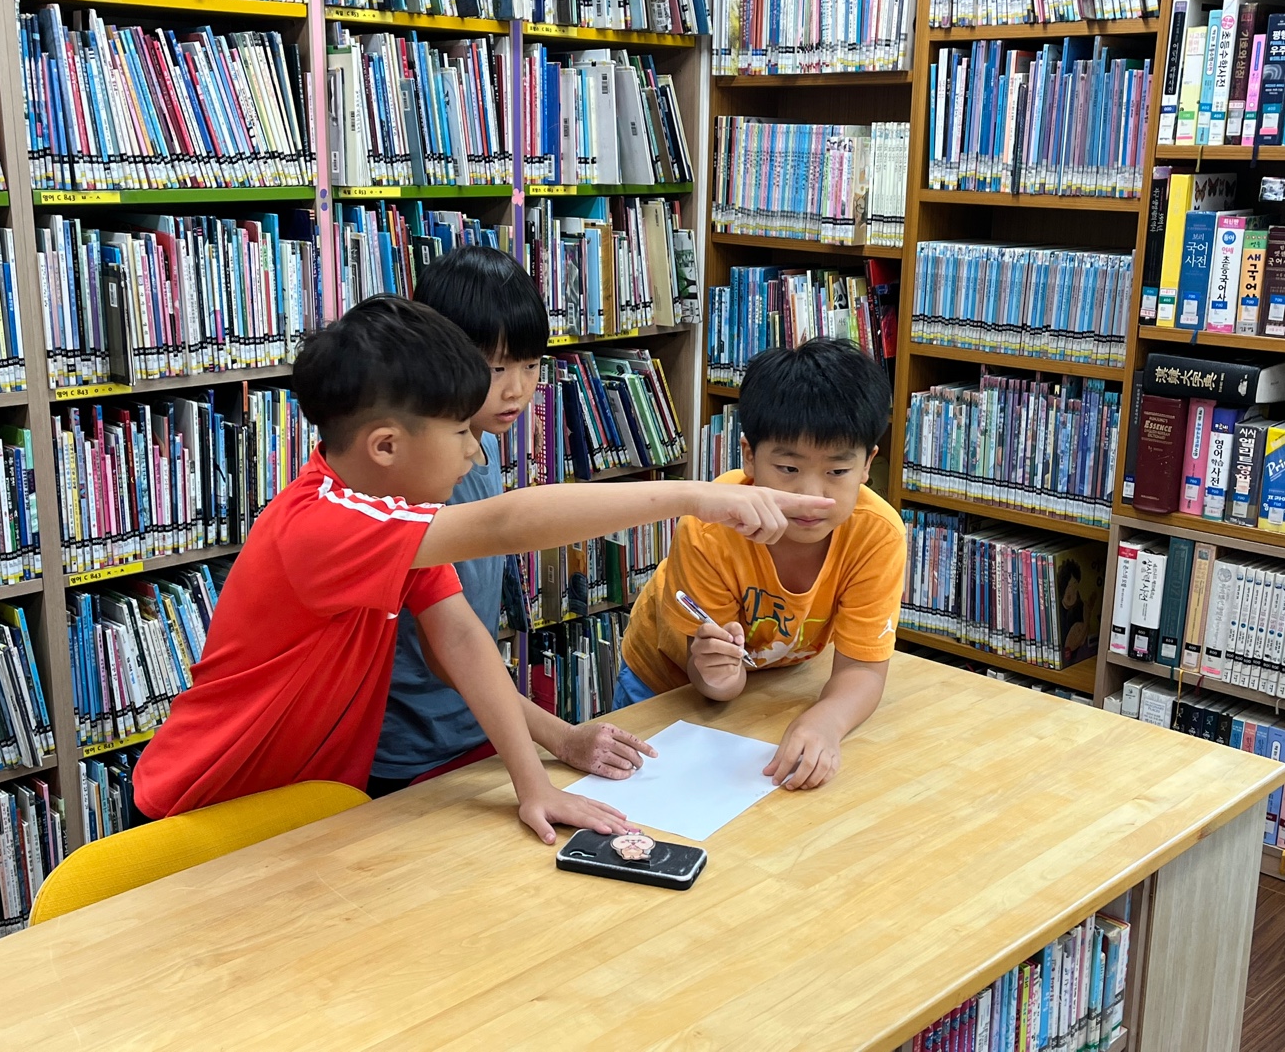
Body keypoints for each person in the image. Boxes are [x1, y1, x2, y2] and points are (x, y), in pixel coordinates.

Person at [132, 295, 831, 844]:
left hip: (301, 808)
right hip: (201, 808)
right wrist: (693, 496)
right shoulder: (324, 526)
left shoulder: (393, 515)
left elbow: (462, 644)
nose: (475, 451)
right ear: (385, 446)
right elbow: (503, 522)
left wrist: (536, 781)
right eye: (460, 432)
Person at [371, 246, 655, 797]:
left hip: (477, 727)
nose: (518, 389)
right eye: (496, 368)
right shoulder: (422, 479)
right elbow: (449, 650)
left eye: (530, 365)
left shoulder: (478, 441)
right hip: (408, 754)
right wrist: (562, 737)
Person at [614, 338, 904, 793]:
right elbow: (710, 677)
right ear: (749, 456)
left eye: (837, 472)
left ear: (867, 464)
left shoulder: (877, 534)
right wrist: (719, 677)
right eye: (788, 468)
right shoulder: (710, 529)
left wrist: (826, 721)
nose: (811, 496)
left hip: (772, 686)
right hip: (667, 681)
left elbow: (863, 669)